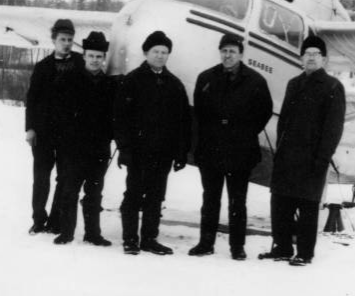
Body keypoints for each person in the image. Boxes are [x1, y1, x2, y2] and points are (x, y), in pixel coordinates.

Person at [263, 35, 346, 266]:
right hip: (287, 156)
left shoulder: (333, 87)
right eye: (307, 53)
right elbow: (284, 121)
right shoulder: (293, 84)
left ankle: (304, 253)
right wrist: (280, 149)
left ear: (324, 59)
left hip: (312, 158)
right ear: (301, 58)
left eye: (316, 54)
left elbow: (333, 128)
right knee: (281, 203)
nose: (311, 57)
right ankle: (282, 247)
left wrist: (322, 158)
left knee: (308, 206)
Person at [189, 33, 273, 260]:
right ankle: (205, 243)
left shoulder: (255, 81)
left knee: (238, 201)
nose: (228, 55)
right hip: (212, 150)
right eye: (224, 51)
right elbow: (200, 112)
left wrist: (243, 132)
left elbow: (264, 112)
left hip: (240, 151)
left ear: (241, 54)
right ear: (220, 52)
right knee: (210, 199)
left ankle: (237, 247)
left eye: (232, 51)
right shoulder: (206, 78)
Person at [114, 31, 191, 255]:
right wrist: (124, 148)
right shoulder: (132, 81)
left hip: (163, 153)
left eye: (164, 52)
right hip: (138, 151)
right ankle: (130, 239)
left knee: (156, 196)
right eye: (156, 51)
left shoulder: (174, 85)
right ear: (146, 53)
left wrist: (181, 153)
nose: (160, 56)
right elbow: (120, 118)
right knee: (134, 194)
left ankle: (149, 239)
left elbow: (183, 122)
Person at [53, 31, 118, 246]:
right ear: (84, 56)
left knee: (94, 192)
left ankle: (93, 234)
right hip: (74, 147)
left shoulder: (110, 85)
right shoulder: (69, 80)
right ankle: (66, 232)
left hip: (99, 148)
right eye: (91, 56)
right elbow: (59, 113)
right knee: (70, 190)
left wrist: (110, 135)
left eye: (99, 57)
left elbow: (114, 115)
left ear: (104, 58)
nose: (95, 60)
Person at [25, 18, 83, 234]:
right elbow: (32, 99)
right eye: (62, 39)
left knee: (65, 177)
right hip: (44, 132)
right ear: (54, 40)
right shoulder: (43, 67)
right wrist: (30, 128)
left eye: (69, 40)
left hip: (69, 132)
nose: (66, 43)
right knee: (41, 177)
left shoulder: (80, 63)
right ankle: (38, 219)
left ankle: (56, 220)